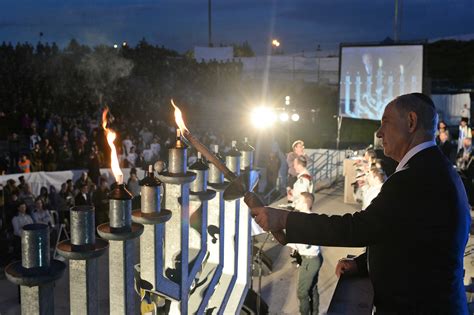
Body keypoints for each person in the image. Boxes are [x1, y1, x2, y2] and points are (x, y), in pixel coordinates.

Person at [250, 93, 470, 313]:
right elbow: (410, 241)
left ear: (411, 122)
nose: (379, 132)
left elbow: (358, 228)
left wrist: (285, 219)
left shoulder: (414, 177)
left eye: (385, 122)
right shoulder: (436, 169)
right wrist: (364, 264)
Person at [286, 192, 322, 315]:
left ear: (306, 203)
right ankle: (315, 312)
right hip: (312, 257)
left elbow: (303, 244)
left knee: (302, 292)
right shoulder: (310, 218)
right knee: (312, 288)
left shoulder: (306, 221)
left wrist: (283, 239)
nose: (295, 202)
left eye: (299, 200)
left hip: (309, 259)